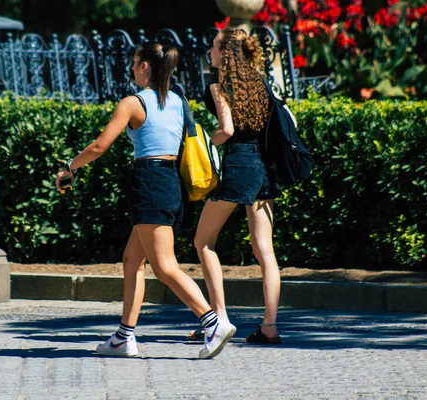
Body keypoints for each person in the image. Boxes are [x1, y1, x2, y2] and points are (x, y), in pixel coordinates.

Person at [55, 42, 236, 358]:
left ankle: (212, 322)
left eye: (134, 62)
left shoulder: (132, 103)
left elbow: (100, 146)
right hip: (170, 183)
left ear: (144, 67)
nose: (131, 68)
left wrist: (70, 167)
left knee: (165, 267)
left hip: (149, 183)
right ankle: (124, 336)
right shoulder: (179, 103)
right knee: (132, 260)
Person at [188, 28, 282, 345]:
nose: (209, 51)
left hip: (239, 166)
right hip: (264, 169)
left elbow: (226, 130)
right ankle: (269, 327)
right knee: (265, 251)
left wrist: (202, 146)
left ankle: (219, 320)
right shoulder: (260, 84)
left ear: (225, 53)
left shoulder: (218, 86)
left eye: (214, 46)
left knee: (204, 241)